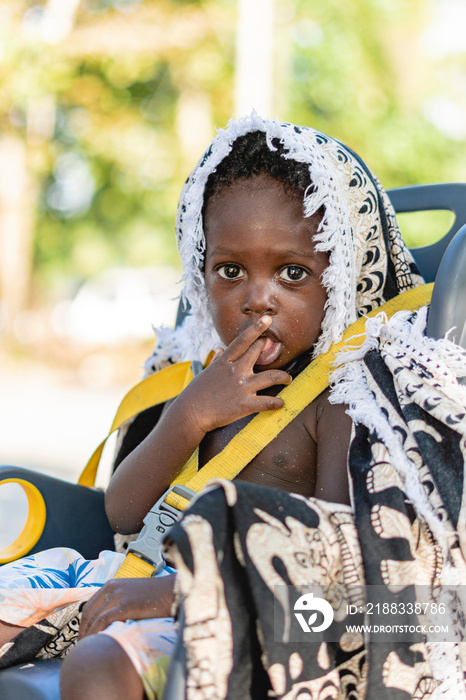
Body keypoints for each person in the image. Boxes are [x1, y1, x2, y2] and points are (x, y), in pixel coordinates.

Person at [0, 114, 456, 700]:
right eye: (230, 271)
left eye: (292, 273)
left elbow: (329, 557)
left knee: (98, 667)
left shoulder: (338, 400)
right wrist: (191, 414)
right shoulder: (200, 381)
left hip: (247, 606)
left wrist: (175, 594)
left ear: (339, 278)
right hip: (138, 571)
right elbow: (122, 512)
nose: (256, 299)